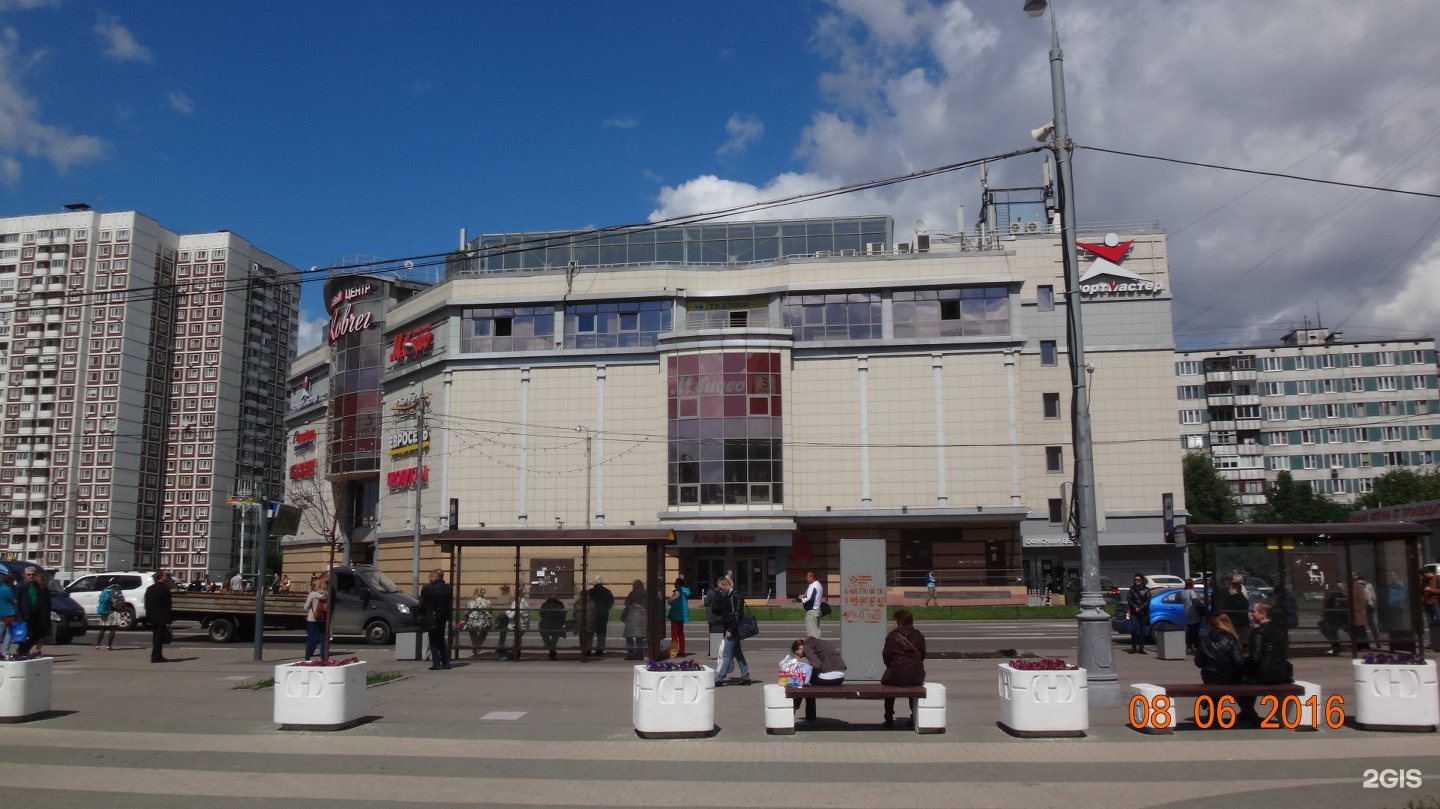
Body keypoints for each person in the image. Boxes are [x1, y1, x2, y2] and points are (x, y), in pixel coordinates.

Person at [1242, 602, 1293, 722]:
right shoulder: (1278, 631)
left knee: (1239, 678)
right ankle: (1247, 711)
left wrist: (1242, 664)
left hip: (1263, 675)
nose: (1252, 614)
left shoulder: (1259, 632)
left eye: (1254, 611)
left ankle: (1248, 710)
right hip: (1280, 674)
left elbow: (1255, 658)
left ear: (1263, 614)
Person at [881, 608, 926, 728]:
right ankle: (914, 716)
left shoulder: (892, 636)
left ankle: (889, 718)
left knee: (889, 686)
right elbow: (922, 655)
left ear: (898, 622)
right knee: (912, 686)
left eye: (893, 622)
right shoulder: (919, 635)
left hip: (896, 676)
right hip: (916, 676)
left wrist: (894, 666)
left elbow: (886, 656)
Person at [791, 636, 847, 723]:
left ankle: (807, 717)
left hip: (830, 675)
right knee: (807, 680)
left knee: (805, 683)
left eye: (798, 654)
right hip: (840, 676)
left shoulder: (807, 646)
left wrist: (806, 669)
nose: (800, 657)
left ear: (800, 647)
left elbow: (817, 665)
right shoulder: (819, 642)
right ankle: (798, 711)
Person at [711, 576, 751, 687]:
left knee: (726, 654)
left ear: (727, 585)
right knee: (738, 654)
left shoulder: (736, 596)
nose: (720, 590)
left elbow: (737, 615)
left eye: (721, 588)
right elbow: (716, 608)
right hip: (731, 628)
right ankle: (746, 676)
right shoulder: (727, 596)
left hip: (733, 629)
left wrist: (730, 629)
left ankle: (720, 678)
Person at [1195, 613, 1245, 685]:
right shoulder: (1231, 639)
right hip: (1229, 678)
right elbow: (1239, 662)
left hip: (1209, 678)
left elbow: (1199, 662)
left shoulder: (1204, 640)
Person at [419, 569, 453, 670]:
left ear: (434, 577)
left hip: (431, 616)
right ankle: (446, 663)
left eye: (430, 577)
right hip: (443, 617)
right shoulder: (448, 588)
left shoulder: (428, 588)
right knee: (441, 639)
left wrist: (421, 614)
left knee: (433, 640)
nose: (429, 579)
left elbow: (421, 604)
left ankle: (436, 663)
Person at [16, 567, 51, 656]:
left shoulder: (36, 585)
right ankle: (22, 650)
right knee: (24, 633)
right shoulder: (21, 585)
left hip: (36, 613)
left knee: (37, 633)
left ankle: (24, 649)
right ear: (25, 575)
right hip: (25, 613)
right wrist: (19, 614)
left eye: (33, 574)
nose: (31, 576)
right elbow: (16, 601)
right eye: (29, 574)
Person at [145, 571, 173, 663]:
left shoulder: (150, 589)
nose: (166, 577)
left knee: (155, 637)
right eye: (165, 575)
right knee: (159, 638)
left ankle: (157, 655)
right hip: (161, 617)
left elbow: (147, 604)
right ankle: (156, 656)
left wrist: (148, 616)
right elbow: (167, 605)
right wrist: (168, 619)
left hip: (153, 616)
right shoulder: (165, 589)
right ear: (161, 577)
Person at [1216, 577, 1251, 649]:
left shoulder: (1228, 600)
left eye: (1230, 588)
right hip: (1243, 625)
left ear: (1235, 589)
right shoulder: (1244, 600)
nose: (1229, 590)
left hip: (1232, 625)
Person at [1318, 582, 1350, 655]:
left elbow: (1328, 610)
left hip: (1336, 620)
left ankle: (1336, 645)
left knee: (1326, 627)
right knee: (1327, 627)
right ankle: (1336, 644)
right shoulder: (1342, 596)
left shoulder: (1333, 597)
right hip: (1342, 619)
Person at [497, 587, 530, 654]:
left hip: (518, 625)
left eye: (516, 592)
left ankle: (501, 647)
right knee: (517, 638)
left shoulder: (518, 603)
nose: (514, 594)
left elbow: (511, 615)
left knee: (503, 631)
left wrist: (507, 612)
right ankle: (516, 650)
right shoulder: (524, 602)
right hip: (524, 624)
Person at [586, 577, 614, 657]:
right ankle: (599, 650)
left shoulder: (590, 592)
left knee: (589, 633)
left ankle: (588, 650)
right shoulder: (607, 592)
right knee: (601, 633)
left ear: (595, 582)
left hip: (591, 614)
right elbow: (611, 603)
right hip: (603, 614)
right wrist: (605, 609)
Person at [303, 576, 329, 661]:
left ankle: (307, 657)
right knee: (323, 639)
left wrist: (312, 607)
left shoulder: (312, 594)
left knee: (310, 637)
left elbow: (305, 607)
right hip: (323, 618)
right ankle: (323, 658)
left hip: (312, 619)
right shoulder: (327, 594)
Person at [621, 580, 648, 660]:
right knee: (640, 637)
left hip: (632, 617)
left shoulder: (632, 593)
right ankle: (639, 654)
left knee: (629, 636)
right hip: (643, 617)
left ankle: (631, 654)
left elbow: (626, 603)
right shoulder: (646, 593)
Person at [94, 583, 125, 651]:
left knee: (103, 629)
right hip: (113, 612)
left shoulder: (105, 590)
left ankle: (97, 646)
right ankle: (109, 646)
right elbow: (121, 601)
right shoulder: (118, 591)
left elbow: (100, 601)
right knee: (112, 629)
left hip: (105, 612)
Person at [1125, 574, 1151, 654]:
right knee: (1133, 629)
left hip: (1143, 612)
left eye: (1138, 580)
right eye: (1135, 579)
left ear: (1142, 580)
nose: (1136, 581)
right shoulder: (1132, 590)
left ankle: (1141, 648)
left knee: (1142, 630)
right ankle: (1133, 647)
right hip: (1134, 612)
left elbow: (1148, 600)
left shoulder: (1146, 590)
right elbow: (1129, 599)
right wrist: (1135, 607)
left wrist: (1141, 608)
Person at [464, 587, 493, 658]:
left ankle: (476, 645)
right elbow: (490, 612)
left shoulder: (471, 602)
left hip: (473, 623)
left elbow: (466, 613)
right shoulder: (488, 602)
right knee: (485, 630)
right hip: (484, 623)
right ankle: (478, 645)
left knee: (471, 629)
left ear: (475, 594)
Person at [665, 576, 690, 656]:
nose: (674, 584)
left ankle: (674, 651)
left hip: (675, 616)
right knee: (681, 634)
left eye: (675, 583)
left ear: (678, 584)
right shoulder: (685, 592)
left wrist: (669, 600)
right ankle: (682, 650)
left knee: (674, 635)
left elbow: (669, 601)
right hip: (682, 616)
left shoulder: (677, 592)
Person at [538, 595, 567, 660]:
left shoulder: (545, 604)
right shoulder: (560, 604)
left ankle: (551, 649)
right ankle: (552, 649)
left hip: (546, 624)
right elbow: (564, 614)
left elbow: (542, 614)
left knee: (545, 635)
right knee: (555, 637)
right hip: (557, 624)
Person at [1180, 578, 1204, 654]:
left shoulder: (1183, 592)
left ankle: (1189, 646)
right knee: (1195, 631)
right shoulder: (1191, 592)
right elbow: (1195, 601)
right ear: (1192, 585)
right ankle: (1195, 646)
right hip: (1194, 613)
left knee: (1189, 630)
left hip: (1187, 613)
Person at [1350, 572, 1371, 649]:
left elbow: (1362, 600)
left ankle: (1363, 645)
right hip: (1355, 612)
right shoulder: (1352, 587)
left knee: (1360, 629)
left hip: (1358, 612)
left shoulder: (1358, 587)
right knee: (1358, 629)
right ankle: (1361, 644)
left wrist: (1357, 607)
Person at [800, 571, 824, 639]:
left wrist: (802, 599)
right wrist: (804, 596)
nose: (806, 578)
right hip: (817, 610)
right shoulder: (818, 585)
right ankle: (818, 645)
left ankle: (815, 647)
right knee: (816, 631)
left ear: (811, 577)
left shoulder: (813, 586)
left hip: (812, 611)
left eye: (807, 576)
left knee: (812, 633)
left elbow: (809, 599)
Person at [0, 573, 18, 658]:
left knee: (1, 630)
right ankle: (5, 651)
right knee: (9, 632)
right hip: (8, 612)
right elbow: (13, 600)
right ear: (10, 581)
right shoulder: (7, 589)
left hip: (1, 613)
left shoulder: (0, 588)